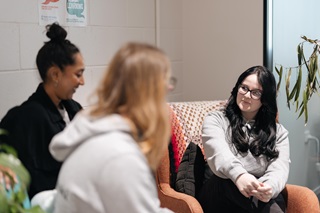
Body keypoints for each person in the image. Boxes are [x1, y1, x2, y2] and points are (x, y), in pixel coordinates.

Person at [49, 42, 174, 213]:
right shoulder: (120, 157)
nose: (169, 88)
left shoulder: (91, 133)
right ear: (148, 92)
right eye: (166, 82)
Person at [0, 22, 85, 198]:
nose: (82, 82)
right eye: (78, 74)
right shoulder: (24, 118)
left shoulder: (75, 110)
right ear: (55, 74)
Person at [197, 66, 290, 212]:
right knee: (227, 182)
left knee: (270, 200)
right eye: (244, 88)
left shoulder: (279, 132)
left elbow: (280, 169)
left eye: (256, 93)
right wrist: (240, 176)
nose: (247, 95)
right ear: (237, 88)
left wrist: (267, 188)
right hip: (220, 191)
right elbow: (219, 154)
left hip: (255, 196)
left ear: (265, 99)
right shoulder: (216, 120)